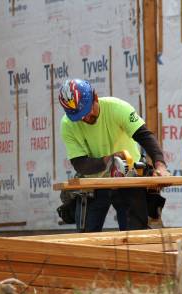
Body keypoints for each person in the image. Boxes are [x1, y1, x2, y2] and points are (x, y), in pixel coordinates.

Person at [58, 78, 170, 232]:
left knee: (134, 236)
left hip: (128, 177)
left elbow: (145, 136)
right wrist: (108, 160)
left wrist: (160, 166)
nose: (84, 118)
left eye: (86, 112)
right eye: (79, 117)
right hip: (95, 181)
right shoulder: (67, 125)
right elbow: (80, 163)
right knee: (87, 238)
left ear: (95, 97)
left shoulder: (117, 108)